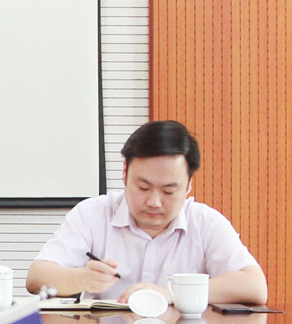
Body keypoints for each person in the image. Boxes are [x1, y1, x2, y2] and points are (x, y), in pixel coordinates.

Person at [27, 120, 267, 306]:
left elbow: (254, 286)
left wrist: (172, 293)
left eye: (168, 191)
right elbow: (37, 277)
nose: (154, 202)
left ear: (189, 184)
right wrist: (81, 278)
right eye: (143, 187)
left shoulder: (205, 223)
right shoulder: (92, 215)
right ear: (125, 173)